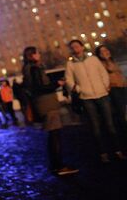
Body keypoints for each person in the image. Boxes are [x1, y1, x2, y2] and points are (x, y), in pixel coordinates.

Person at [65, 39, 125, 163]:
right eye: (73, 47)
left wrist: (104, 85)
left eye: (77, 46)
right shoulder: (71, 64)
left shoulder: (93, 59)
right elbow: (69, 80)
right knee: (95, 126)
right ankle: (103, 153)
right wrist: (78, 89)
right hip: (87, 98)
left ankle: (118, 150)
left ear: (82, 47)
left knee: (110, 124)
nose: (75, 49)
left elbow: (103, 73)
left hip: (102, 94)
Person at [22, 46, 78, 176]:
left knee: (53, 135)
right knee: (54, 135)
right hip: (46, 105)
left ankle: (56, 165)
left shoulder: (28, 69)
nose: (39, 54)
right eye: (37, 53)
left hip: (43, 105)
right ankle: (58, 166)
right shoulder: (34, 68)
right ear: (32, 55)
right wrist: (57, 84)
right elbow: (39, 88)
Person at [95, 44, 127, 146]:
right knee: (121, 112)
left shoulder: (112, 61)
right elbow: (110, 70)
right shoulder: (102, 64)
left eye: (106, 50)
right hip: (114, 89)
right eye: (102, 51)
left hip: (122, 87)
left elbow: (120, 74)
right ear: (99, 54)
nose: (106, 52)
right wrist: (107, 59)